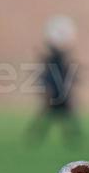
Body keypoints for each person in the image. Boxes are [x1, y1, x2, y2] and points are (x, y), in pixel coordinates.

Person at [28, 15, 81, 144]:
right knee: (48, 118)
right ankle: (35, 136)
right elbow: (48, 77)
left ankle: (73, 138)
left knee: (65, 119)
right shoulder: (52, 62)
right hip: (55, 95)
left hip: (60, 94)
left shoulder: (57, 62)